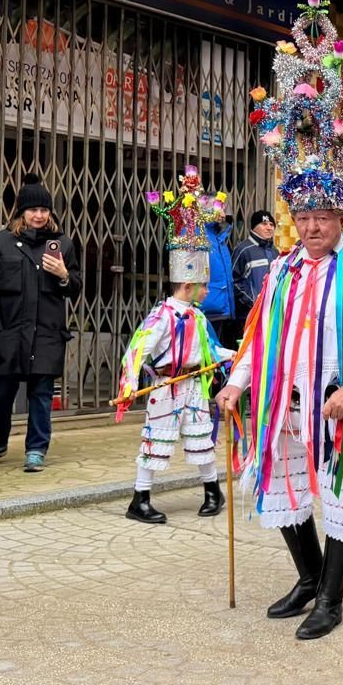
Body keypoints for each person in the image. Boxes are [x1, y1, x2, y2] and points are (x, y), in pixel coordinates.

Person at [216, 0, 343, 641]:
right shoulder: (282, 270)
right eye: (303, 217)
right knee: (282, 485)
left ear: (341, 216)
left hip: (337, 401)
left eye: (322, 217)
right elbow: (259, 336)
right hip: (286, 402)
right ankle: (307, 577)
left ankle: (332, 595)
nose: (312, 227)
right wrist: (237, 382)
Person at [118, 166, 230, 524]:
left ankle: (213, 490)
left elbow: (210, 350)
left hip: (194, 383)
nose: (207, 291)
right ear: (188, 284)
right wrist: (130, 380)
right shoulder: (162, 316)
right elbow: (137, 349)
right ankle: (140, 498)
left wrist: (239, 354)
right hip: (166, 385)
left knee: (200, 438)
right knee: (157, 438)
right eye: (204, 285)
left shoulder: (198, 317)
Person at [0, 174, 81, 473]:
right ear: (21, 212)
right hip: (8, 332)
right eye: (33, 210)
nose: (39, 215)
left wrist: (63, 274)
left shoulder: (62, 244)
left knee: (41, 395)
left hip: (46, 333)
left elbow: (75, 287)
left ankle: (36, 449)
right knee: (1, 394)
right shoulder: (1, 242)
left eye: (44, 210)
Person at [232, 209, 279, 334]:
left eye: (271, 224)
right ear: (254, 227)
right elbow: (234, 281)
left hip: (271, 312)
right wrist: (253, 301)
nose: (269, 228)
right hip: (249, 314)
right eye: (264, 224)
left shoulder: (275, 251)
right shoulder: (243, 249)